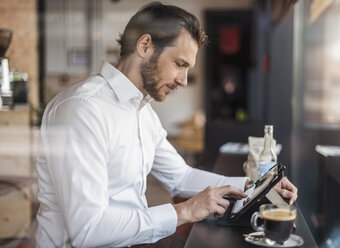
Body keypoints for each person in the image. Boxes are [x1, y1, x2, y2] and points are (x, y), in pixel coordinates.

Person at [36, 2, 297, 247]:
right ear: (145, 45)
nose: (184, 80)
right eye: (179, 64)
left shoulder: (142, 111)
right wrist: (184, 210)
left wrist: (256, 186)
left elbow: (181, 176)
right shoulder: (82, 109)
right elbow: (87, 230)